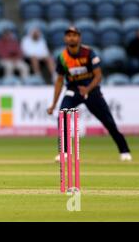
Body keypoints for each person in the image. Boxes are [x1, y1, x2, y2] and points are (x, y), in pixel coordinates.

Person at [47, 26, 132, 162]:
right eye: (69, 35)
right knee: (63, 115)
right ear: (65, 38)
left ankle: (124, 150)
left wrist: (87, 89)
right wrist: (53, 104)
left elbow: (98, 76)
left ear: (79, 37)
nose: (71, 37)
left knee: (108, 122)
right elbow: (59, 81)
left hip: (92, 90)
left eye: (74, 35)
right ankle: (65, 152)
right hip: (73, 91)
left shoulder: (88, 53)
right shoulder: (62, 57)